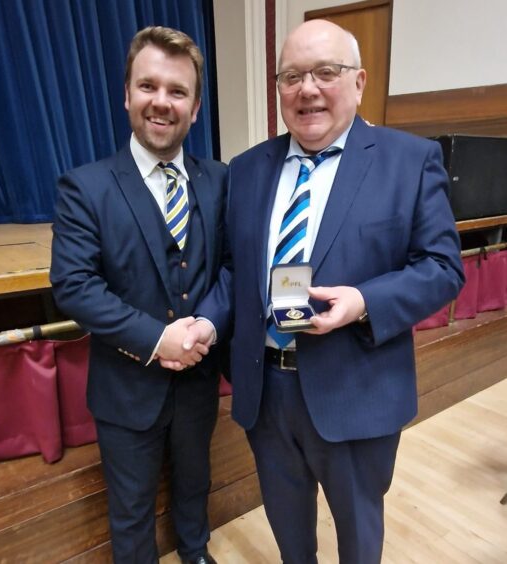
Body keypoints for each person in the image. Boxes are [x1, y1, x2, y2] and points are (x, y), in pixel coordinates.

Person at [178, 19, 465, 564]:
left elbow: (442, 268)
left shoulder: (410, 160)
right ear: (280, 90)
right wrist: (210, 322)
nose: (307, 88)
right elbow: (238, 271)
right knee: (290, 538)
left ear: (357, 82)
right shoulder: (245, 170)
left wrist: (364, 302)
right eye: (292, 76)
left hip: (355, 389)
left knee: (359, 541)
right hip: (265, 394)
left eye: (325, 72)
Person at [50, 26, 225, 564]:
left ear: (195, 108)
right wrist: (157, 340)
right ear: (126, 95)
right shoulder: (85, 187)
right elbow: (75, 286)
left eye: (178, 91)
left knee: (195, 491)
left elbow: (233, 271)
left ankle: (195, 554)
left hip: (199, 384)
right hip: (126, 391)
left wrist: (209, 325)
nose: (161, 102)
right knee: (130, 514)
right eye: (148, 86)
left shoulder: (221, 180)